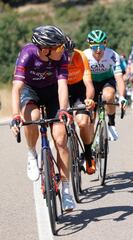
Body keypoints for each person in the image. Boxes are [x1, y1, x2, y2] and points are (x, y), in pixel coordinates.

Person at [10, 25, 76, 211]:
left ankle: (65, 190)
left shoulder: (60, 57)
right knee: (33, 116)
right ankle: (32, 152)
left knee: (61, 139)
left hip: (53, 92)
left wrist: (63, 110)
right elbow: (16, 88)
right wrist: (16, 115)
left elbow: (62, 86)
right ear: (45, 49)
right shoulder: (27, 54)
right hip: (31, 91)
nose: (62, 50)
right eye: (58, 47)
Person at [83, 29, 127, 141]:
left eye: (101, 46)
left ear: (105, 44)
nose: (98, 50)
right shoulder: (84, 56)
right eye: (95, 47)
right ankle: (92, 145)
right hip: (91, 82)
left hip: (107, 80)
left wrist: (122, 97)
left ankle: (111, 123)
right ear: (90, 45)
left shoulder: (112, 55)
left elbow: (119, 78)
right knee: (90, 117)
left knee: (109, 95)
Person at [65, 36, 97, 174]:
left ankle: (88, 155)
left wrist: (89, 99)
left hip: (79, 89)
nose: (69, 56)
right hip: (62, 90)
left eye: (71, 52)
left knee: (83, 123)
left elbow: (88, 83)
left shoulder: (80, 56)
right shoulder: (54, 59)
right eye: (66, 53)